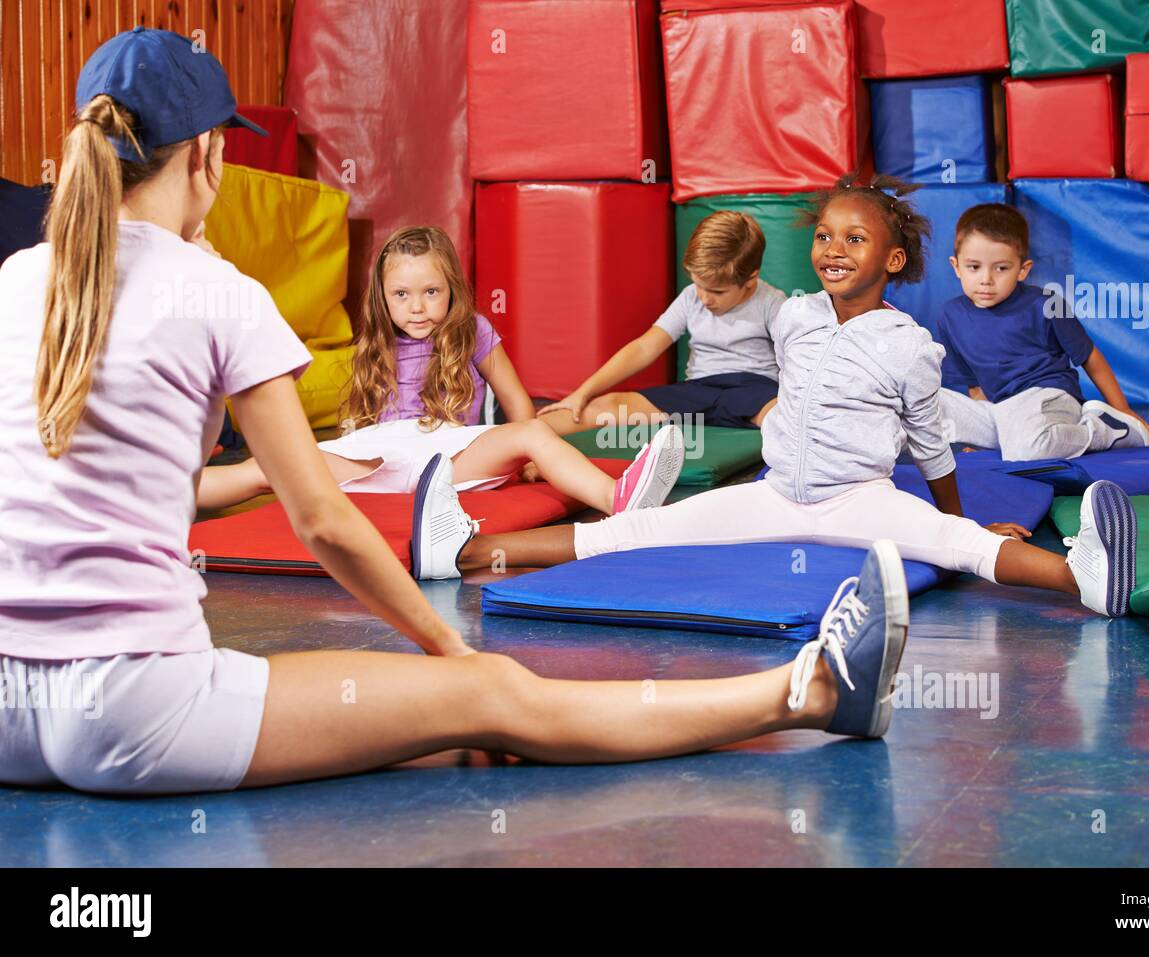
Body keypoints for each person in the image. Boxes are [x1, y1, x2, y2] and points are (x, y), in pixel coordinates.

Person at [0, 29, 908, 796]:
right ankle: (813, 689)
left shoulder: (16, 280)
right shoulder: (218, 290)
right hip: (137, 709)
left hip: (9, 709)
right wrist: (449, 648)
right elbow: (323, 520)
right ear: (207, 154)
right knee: (495, 693)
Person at [421, 173, 1139, 620]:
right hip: (773, 493)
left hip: (859, 496)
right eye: (825, 235)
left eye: (854, 239)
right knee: (629, 532)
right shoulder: (795, 316)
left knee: (959, 547)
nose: (832, 248)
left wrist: (973, 523)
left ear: (892, 261)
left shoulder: (908, 343)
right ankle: (465, 551)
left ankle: (1083, 575)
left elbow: (929, 443)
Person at [197, 225, 685, 530]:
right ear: (383, 298)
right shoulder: (378, 340)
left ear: (451, 288)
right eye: (402, 295)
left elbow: (516, 402)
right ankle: (155, 496)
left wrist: (527, 458)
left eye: (431, 292)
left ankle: (616, 499)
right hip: (380, 457)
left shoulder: (474, 329)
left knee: (534, 431)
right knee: (267, 467)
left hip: (452, 456)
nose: (417, 307)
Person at [936, 202, 1149, 461]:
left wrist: (1123, 410)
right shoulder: (948, 316)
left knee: (1023, 450)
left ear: (1023, 270)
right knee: (929, 404)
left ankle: (1103, 430)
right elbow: (975, 388)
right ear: (956, 266)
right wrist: (979, 433)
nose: (986, 279)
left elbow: (1090, 358)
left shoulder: (1048, 304)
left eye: (1001, 268)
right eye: (974, 267)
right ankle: (1008, 438)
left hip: (1049, 397)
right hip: (1002, 410)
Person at [538, 211, 784, 435]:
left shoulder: (773, 303)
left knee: (782, 415)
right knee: (606, 405)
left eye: (717, 292)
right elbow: (645, 348)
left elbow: (796, 363)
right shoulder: (690, 297)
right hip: (698, 391)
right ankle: (525, 440)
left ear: (751, 279)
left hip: (753, 389)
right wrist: (582, 393)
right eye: (699, 285)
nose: (705, 298)